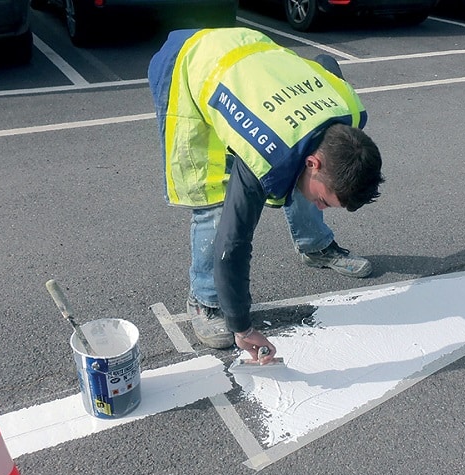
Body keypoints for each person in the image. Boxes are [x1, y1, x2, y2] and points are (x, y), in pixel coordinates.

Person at [148, 28, 384, 363]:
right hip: (188, 67)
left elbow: (326, 62)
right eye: (325, 202)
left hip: (248, 57)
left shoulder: (350, 113)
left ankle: (314, 246)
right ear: (314, 162)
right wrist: (242, 327)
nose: (321, 206)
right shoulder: (266, 151)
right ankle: (205, 300)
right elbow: (233, 242)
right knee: (212, 196)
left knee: (307, 180)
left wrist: (322, 192)